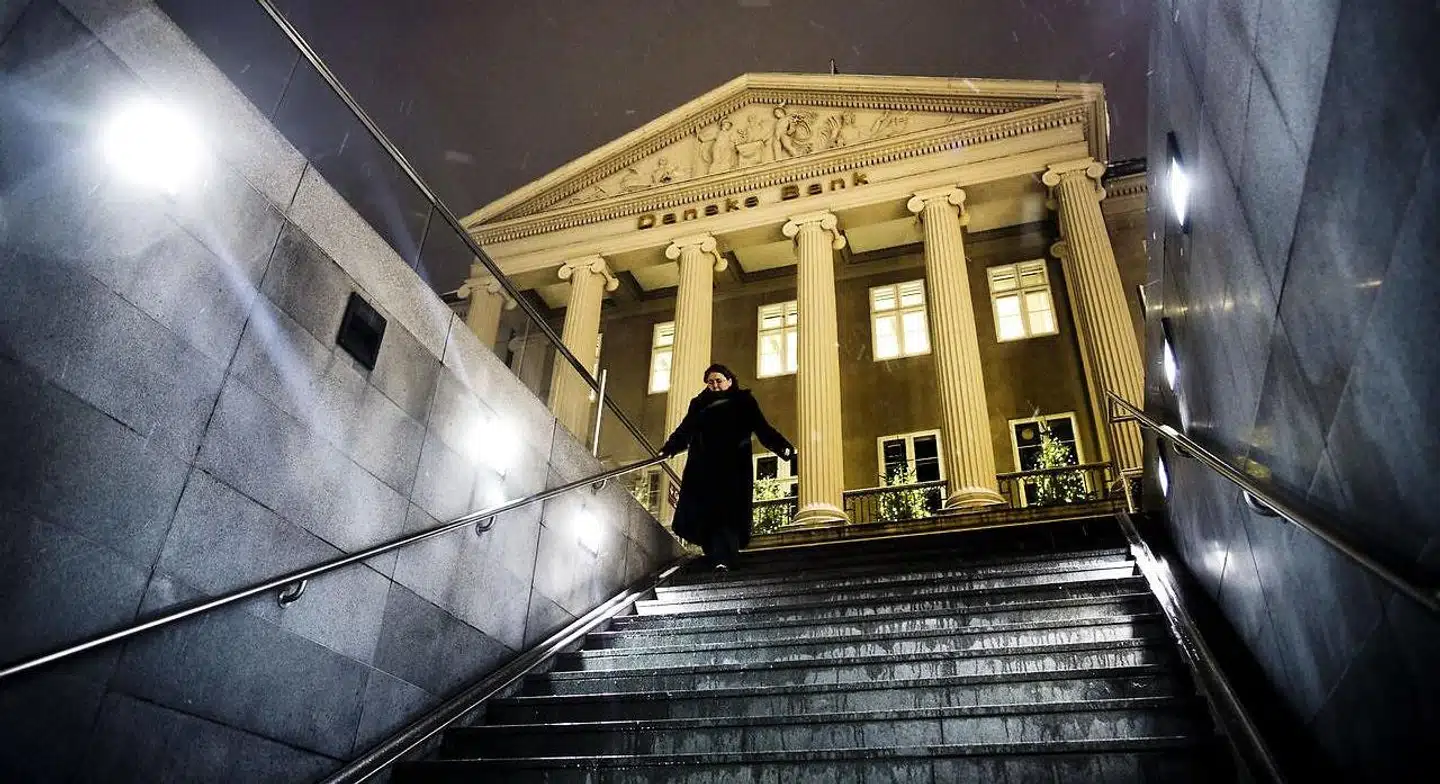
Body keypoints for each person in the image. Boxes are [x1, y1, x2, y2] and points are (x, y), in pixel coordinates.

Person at [659, 364, 795, 571]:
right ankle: (717, 557)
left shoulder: (744, 402)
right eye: (710, 382)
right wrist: (669, 449)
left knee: (728, 514)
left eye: (718, 381)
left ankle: (724, 558)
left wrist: (782, 447)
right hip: (704, 468)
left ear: (730, 381)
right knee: (709, 513)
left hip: (733, 468)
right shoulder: (699, 404)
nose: (714, 385)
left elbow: (762, 428)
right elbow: (685, 430)